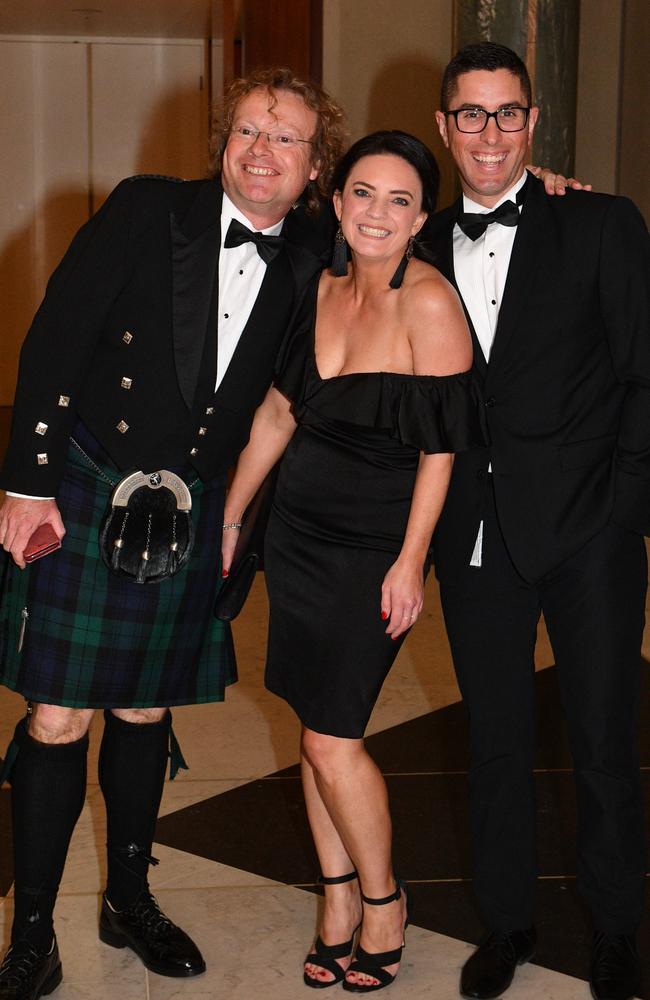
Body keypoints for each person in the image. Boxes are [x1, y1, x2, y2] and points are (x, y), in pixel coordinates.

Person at [0, 67, 346, 999]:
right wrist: (28, 484)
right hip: (86, 482)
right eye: (246, 132)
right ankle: (32, 930)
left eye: (286, 139)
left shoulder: (321, 244)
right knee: (57, 715)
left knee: (146, 710)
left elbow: (415, 226)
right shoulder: (148, 210)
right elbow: (55, 335)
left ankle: (128, 900)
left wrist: (545, 191)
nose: (261, 152)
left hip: (190, 505)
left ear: (317, 163)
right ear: (222, 140)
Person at [222, 129, 485, 993]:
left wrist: (411, 562)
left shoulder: (432, 305)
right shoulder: (322, 288)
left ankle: (383, 901)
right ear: (336, 205)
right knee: (313, 725)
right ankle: (336, 900)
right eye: (363, 194)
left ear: (420, 219)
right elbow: (275, 413)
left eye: (400, 199)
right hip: (297, 536)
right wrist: (230, 517)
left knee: (336, 738)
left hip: (374, 549)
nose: (378, 212)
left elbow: (442, 452)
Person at [426, 41, 650, 1000]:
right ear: (444, 127)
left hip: (589, 532)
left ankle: (614, 928)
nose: (488, 132)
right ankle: (509, 924)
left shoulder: (601, 222)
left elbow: (645, 374)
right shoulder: (413, 242)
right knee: (495, 742)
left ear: (532, 121)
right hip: (475, 536)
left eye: (506, 113)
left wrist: (623, 516)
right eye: (469, 114)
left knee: (603, 743)